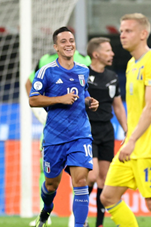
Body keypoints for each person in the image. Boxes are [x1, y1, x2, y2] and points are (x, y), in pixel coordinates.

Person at [100, 13, 151, 227]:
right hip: (133, 147)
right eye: (121, 31)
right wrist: (130, 139)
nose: (122, 35)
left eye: (128, 31)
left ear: (143, 34)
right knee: (108, 197)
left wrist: (131, 140)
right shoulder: (132, 63)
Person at [29, 26, 99, 227]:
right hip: (54, 137)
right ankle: (47, 208)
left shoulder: (83, 70)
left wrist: (89, 102)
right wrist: (60, 99)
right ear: (56, 47)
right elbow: (33, 100)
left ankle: (79, 225)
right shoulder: (46, 71)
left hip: (80, 135)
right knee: (51, 185)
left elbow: (82, 95)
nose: (69, 44)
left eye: (71, 40)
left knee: (81, 183)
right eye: (63, 42)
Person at [85, 37, 128, 227]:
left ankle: (99, 224)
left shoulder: (112, 76)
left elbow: (118, 106)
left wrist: (127, 129)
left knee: (104, 178)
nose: (112, 54)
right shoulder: (83, 74)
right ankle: (80, 217)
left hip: (107, 130)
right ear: (96, 54)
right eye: (108, 50)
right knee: (92, 176)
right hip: (87, 130)